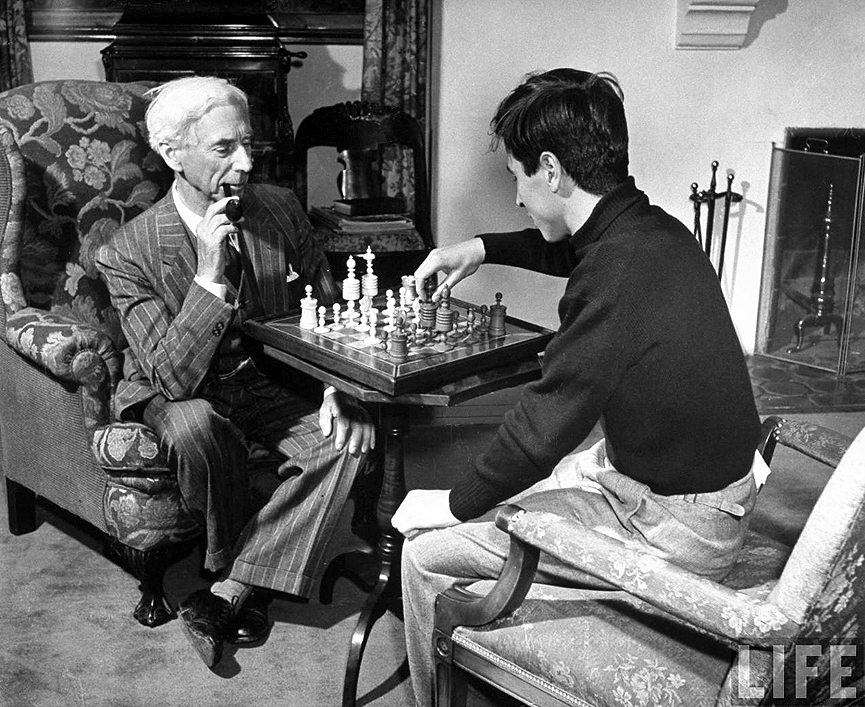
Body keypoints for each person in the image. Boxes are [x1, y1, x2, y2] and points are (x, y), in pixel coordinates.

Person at [391, 68, 762, 707]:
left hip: (676, 527)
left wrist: (452, 503)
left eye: (517, 178)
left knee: (426, 552)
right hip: (690, 487)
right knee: (536, 483)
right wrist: (479, 248)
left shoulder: (616, 272)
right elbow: (574, 250)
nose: (516, 200)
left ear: (552, 170)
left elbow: (543, 424)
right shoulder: (650, 230)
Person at [97, 76, 375, 669]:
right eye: (225, 149)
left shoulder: (278, 209)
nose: (246, 163)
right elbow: (173, 379)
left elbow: (326, 310)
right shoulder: (127, 251)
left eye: (248, 144)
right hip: (183, 392)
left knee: (348, 441)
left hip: (275, 381)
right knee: (195, 425)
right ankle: (250, 564)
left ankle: (230, 586)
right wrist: (207, 277)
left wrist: (336, 387)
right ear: (172, 154)